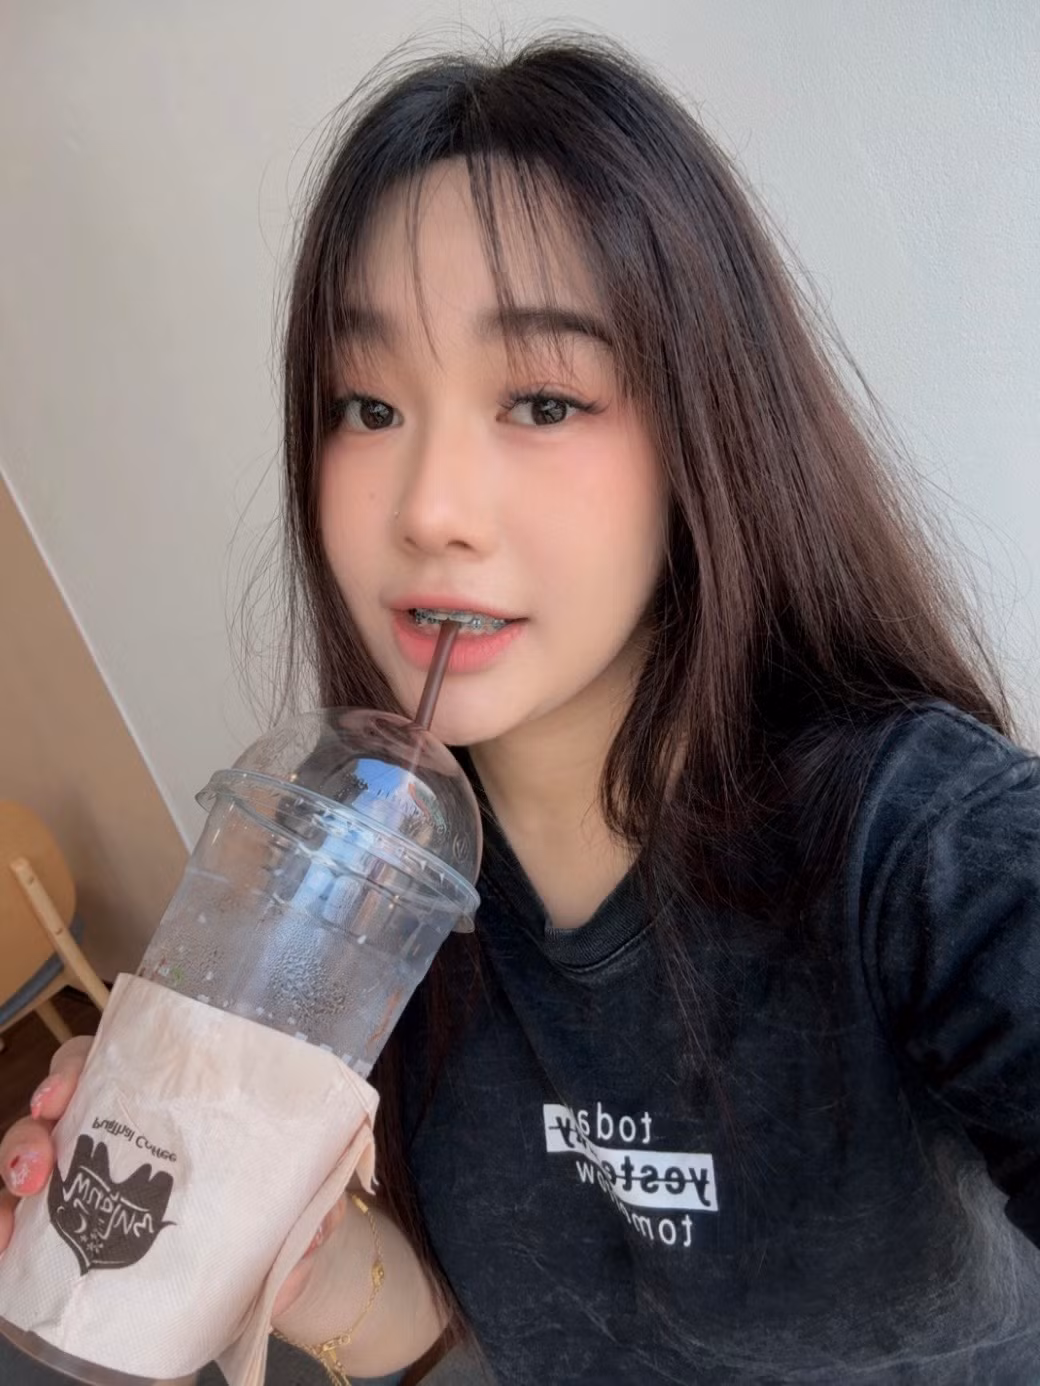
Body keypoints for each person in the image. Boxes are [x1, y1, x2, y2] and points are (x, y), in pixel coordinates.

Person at [2, 34, 1039, 1386]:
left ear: (707, 431)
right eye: (367, 404)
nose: (429, 507)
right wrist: (293, 1256)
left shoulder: (928, 853)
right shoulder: (363, 875)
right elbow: (449, 1327)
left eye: (542, 400)